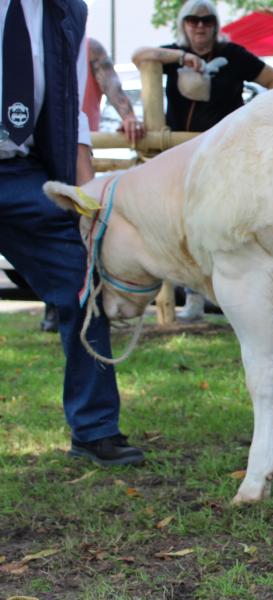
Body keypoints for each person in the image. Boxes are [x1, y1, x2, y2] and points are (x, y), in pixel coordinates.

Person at [0, 0, 144, 466]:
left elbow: (71, 110)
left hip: (24, 172)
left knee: (83, 283)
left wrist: (86, 200)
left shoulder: (68, 11)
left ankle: (95, 429)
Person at [132, 0, 273, 321]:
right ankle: (194, 298)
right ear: (183, 25)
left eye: (206, 21)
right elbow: (139, 56)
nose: (199, 26)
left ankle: (237, 299)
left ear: (216, 26)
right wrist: (182, 57)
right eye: (192, 20)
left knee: (229, 226)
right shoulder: (172, 56)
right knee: (185, 226)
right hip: (181, 159)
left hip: (227, 160)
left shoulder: (233, 56)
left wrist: (253, 121)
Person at [41, 36, 146, 334]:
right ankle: (58, 305)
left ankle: (89, 302)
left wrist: (129, 116)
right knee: (53, 226)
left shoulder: (87, 45)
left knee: (87, 222)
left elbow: (110, 81)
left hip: (79, 145)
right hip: (38, 146)